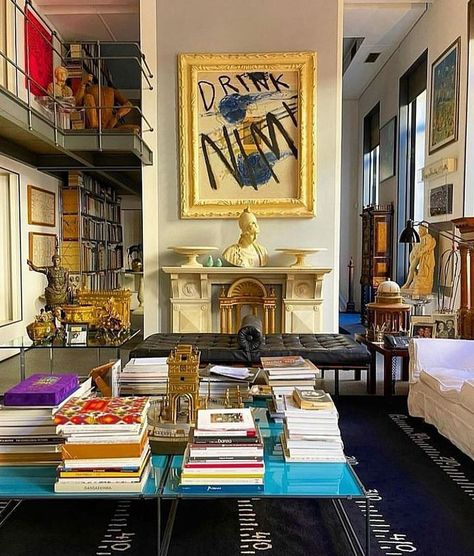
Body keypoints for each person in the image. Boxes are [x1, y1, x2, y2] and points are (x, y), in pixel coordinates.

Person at [401, 226, 436, 295]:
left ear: (424, 230)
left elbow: (427, 246)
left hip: (420, 256)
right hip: (416, 255)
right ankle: (412, 280)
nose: (419, 232)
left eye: (420, 231)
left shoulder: (427, 237)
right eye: (419, 231)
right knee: (412, 269)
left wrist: (420, 252)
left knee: (412, 268)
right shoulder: (421, 238)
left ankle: (407, 284)